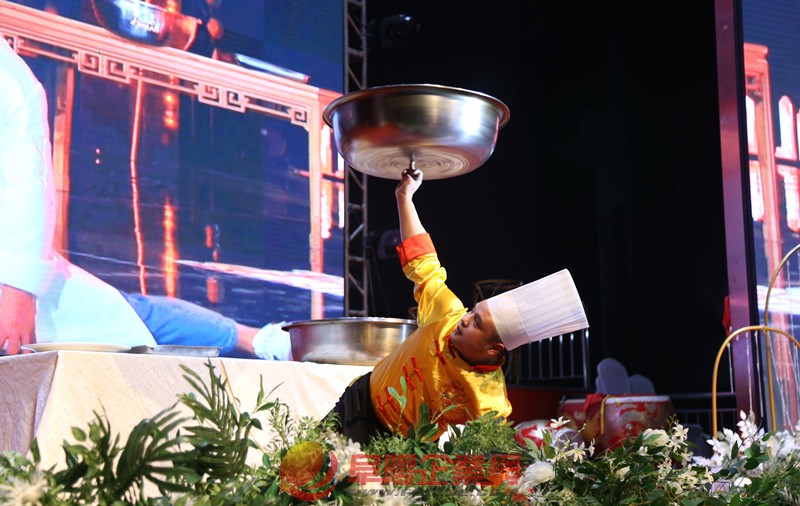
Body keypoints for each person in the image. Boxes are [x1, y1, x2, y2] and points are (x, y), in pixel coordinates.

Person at [0, 37, 290, 360]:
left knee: (135, 320)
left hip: (16, 283)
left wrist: (19, 286)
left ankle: (256, 339)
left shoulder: (7, 73)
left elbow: (27, 175)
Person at [327, 167, 590, 445]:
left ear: (493, 349)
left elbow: (492, 449)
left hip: (399, 448)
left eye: (477, 322)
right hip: (359, 403)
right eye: (473, 311)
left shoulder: (489, 400)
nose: (465, 319)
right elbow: (423, 261)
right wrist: (404, 197)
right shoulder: (448, 313)